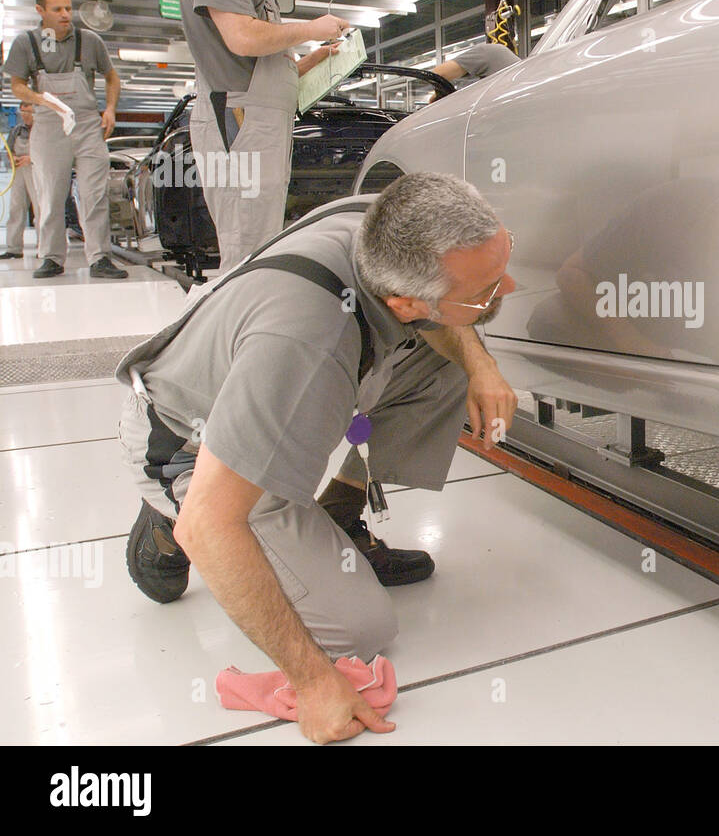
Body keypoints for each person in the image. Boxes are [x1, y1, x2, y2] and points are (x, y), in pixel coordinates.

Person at [116, 172, 517, 744]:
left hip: (264, 381)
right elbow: (211, 526)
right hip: (185, 444)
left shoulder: (386, 220)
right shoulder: (306, 348)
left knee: (446, 360)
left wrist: (481, 365)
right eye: (484, 292)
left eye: (504, 262)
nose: (511, 288)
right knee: (360, 631)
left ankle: (337, 518)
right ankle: (163, 511)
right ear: (405, 302)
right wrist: (313, 683)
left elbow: (441, 320)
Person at [180, 0, 347, 272]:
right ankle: (230, 329)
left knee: (258, 239)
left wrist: (312, 62)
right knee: (245, 246)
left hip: (257, 123)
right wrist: (310, 29)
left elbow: (260, 62)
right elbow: (243, 39)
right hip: (240, 121)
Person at [2, 0, 128, 279]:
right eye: (57, 9)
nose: (65, 15)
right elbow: (17, 85)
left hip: (86, 125)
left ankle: (100, 258)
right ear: (40, 11)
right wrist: (39, 99)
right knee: (49, 194)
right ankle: (51, 257)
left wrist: (109, 109)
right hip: (48, 124)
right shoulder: (26, 43)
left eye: (68, 8)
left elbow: (111, 77)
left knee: (94, 193)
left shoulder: (89, 40)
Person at [2, 102, 36, 259]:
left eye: (28, 112)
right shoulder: (17, 130)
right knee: (16, 208)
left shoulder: (43, 130)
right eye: (22, 112)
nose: (24, 115)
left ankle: (46, 249)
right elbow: (7, 151)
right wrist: (12, 158)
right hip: (19, 171)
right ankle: (13, 248)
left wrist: (32, 158)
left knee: (41, 210)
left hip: (36, 170)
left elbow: (50, 153)